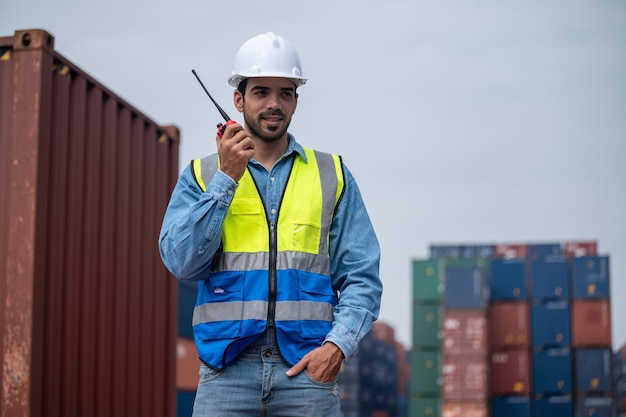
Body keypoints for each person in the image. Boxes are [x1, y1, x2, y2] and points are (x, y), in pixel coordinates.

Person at [159, 32, 382, 417]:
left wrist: (336, 348)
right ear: (238, 99)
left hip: (307, 373)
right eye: (261, 91)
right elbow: (181, 262)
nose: (274, 104)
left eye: (286, 93)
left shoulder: (332, 174)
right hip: (226, 373)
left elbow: (362, 276)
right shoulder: (202, 175)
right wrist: (226, 180)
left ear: (296, 100)